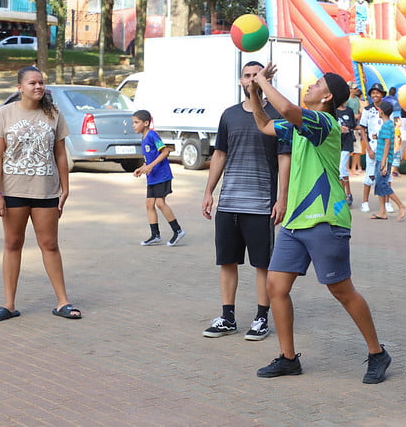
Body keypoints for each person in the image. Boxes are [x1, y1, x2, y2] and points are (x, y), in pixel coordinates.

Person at [247, 65, 391, 384]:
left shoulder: (323, 121)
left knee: (341, 290)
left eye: (317, 84)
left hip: (326, 220)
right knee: (275, 287)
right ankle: (288, 358)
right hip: (296, 222)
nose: (310, 86)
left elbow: (284, 107)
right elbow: (265, 124)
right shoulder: (300, 125)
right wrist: (255, 93)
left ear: (326, 97)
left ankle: (377, 353)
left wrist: (262, 81)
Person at [201, 61, 291, 341]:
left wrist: (282, 198)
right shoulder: (229, 115)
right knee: (227, 262)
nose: (251, 79)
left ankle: (261, 318)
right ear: (241, 81)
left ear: (266, 79)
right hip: (229, 204)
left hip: (261, 204)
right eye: (247, 75)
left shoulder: (276, 116)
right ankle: (227, 317)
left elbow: (284, 158)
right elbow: (219, 155)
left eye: (257, 75)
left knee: (262, 265)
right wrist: (208, 192)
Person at [0, 66, 81, 322]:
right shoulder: (4, 114)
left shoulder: (54, 114)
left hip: (45, 190)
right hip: (13, 190)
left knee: (50, 244)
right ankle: (8, 304)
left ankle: (63, 302)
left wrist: (66, 187)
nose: (38, 86)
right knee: (12, 243)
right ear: (20, 87)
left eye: (41, 82)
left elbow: (60, 154)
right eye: (33, 83)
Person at [131, 110, 185, 247]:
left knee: (160, 203)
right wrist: (142, 168)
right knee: (149, 204)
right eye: (133, 123)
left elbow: (165, 152)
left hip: (162, 175)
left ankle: (178, 231)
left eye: (136, 122)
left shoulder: (152, 135)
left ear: (146, 123)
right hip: (152, 177)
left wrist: (151, 166)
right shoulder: (143, 139)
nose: (134, 125)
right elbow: (149, 159)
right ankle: (155, 235)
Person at [370, 101, 406, 221]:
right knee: (379, 185)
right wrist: (378, 136)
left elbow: (387, 144)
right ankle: (382, 212)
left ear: (381, 111)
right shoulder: (388, 124)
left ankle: (401, 206)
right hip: (382, 158)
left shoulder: (387, 125)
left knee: (382, 184)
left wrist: (384, 163)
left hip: (383, 159)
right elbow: (386, 140)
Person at [359, 83, 388, 213]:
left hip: (385, 146)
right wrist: (368, 148)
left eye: (378, 93)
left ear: (382, 94)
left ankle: (387, 203)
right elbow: (363, 129)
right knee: (370, 175)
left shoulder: (387, 108)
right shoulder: (367, 110)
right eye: (373, 93)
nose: (375, 95)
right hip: (372, 145)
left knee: (385, 175)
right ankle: (365, 202)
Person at [336, 97, 356, 207]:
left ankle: (343, 195)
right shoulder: (333, 111)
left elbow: (352, 125)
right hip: (336, 143)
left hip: (347, 142)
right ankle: (347, 193)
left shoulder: (349, 111)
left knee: (341, 168)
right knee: (341, 169)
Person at [346, 82, 363, 176]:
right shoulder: (347, 100)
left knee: (357, 149)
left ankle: (354, 168)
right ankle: (347, 168)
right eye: (354, 88)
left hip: (356, 126)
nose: (356, 89)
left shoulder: (356, 99)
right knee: (347, 149)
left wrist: (360, 114)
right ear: (350, 89)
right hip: (349, 126)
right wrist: (354, 116)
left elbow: (358, 110)